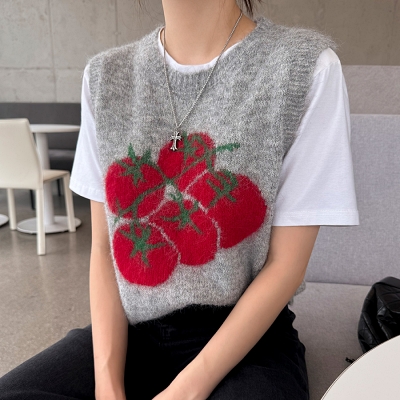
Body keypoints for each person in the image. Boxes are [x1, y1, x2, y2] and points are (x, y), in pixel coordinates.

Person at [0, 0, 359, 399]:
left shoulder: (305, 68)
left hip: (247, 342)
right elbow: (104, 249)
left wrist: (185, 391)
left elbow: (285, 265)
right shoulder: (104, 76)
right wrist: (107, 383)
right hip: (133, 335)